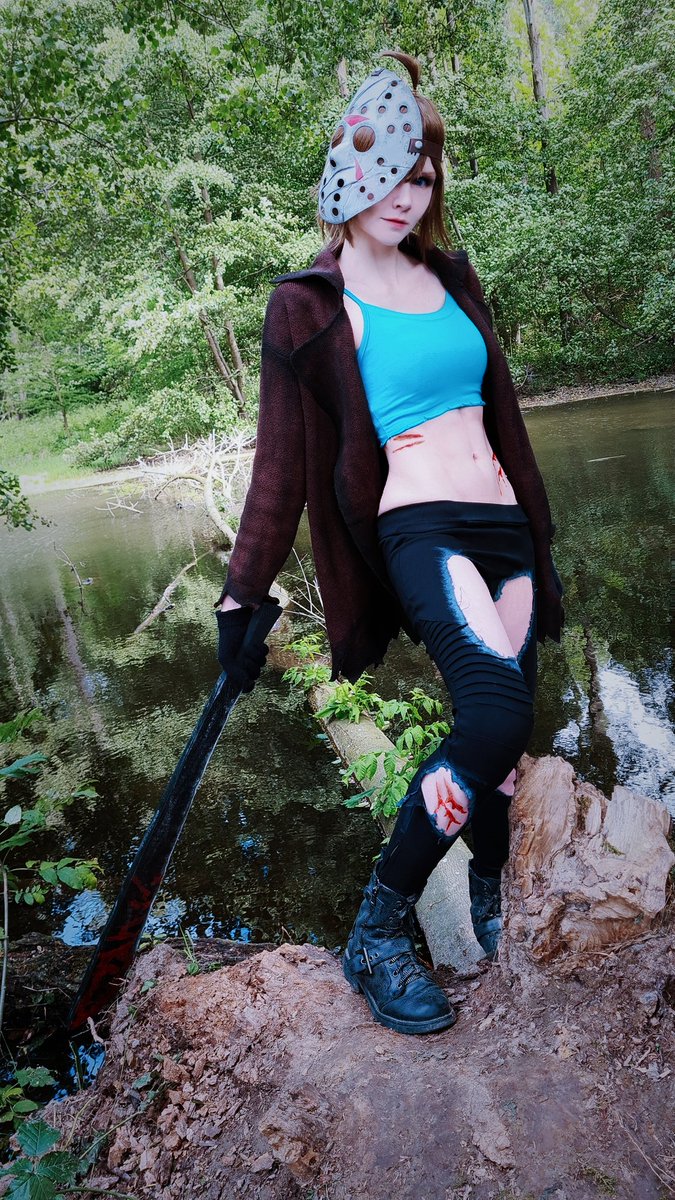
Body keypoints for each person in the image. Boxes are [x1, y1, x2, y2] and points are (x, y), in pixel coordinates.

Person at [215, 51, 563, 1036]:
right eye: (394, 175)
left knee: (500, 744)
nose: (410, 195)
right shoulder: (308, 302)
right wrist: (242, 595)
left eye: (425, 177)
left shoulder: (451, 275)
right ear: (350, 173)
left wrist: (539, 532)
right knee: (490, 717)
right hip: (420, 525)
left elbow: (502, 416)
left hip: (503, 527)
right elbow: (279, 468)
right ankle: (378, 928)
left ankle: (489, 888)